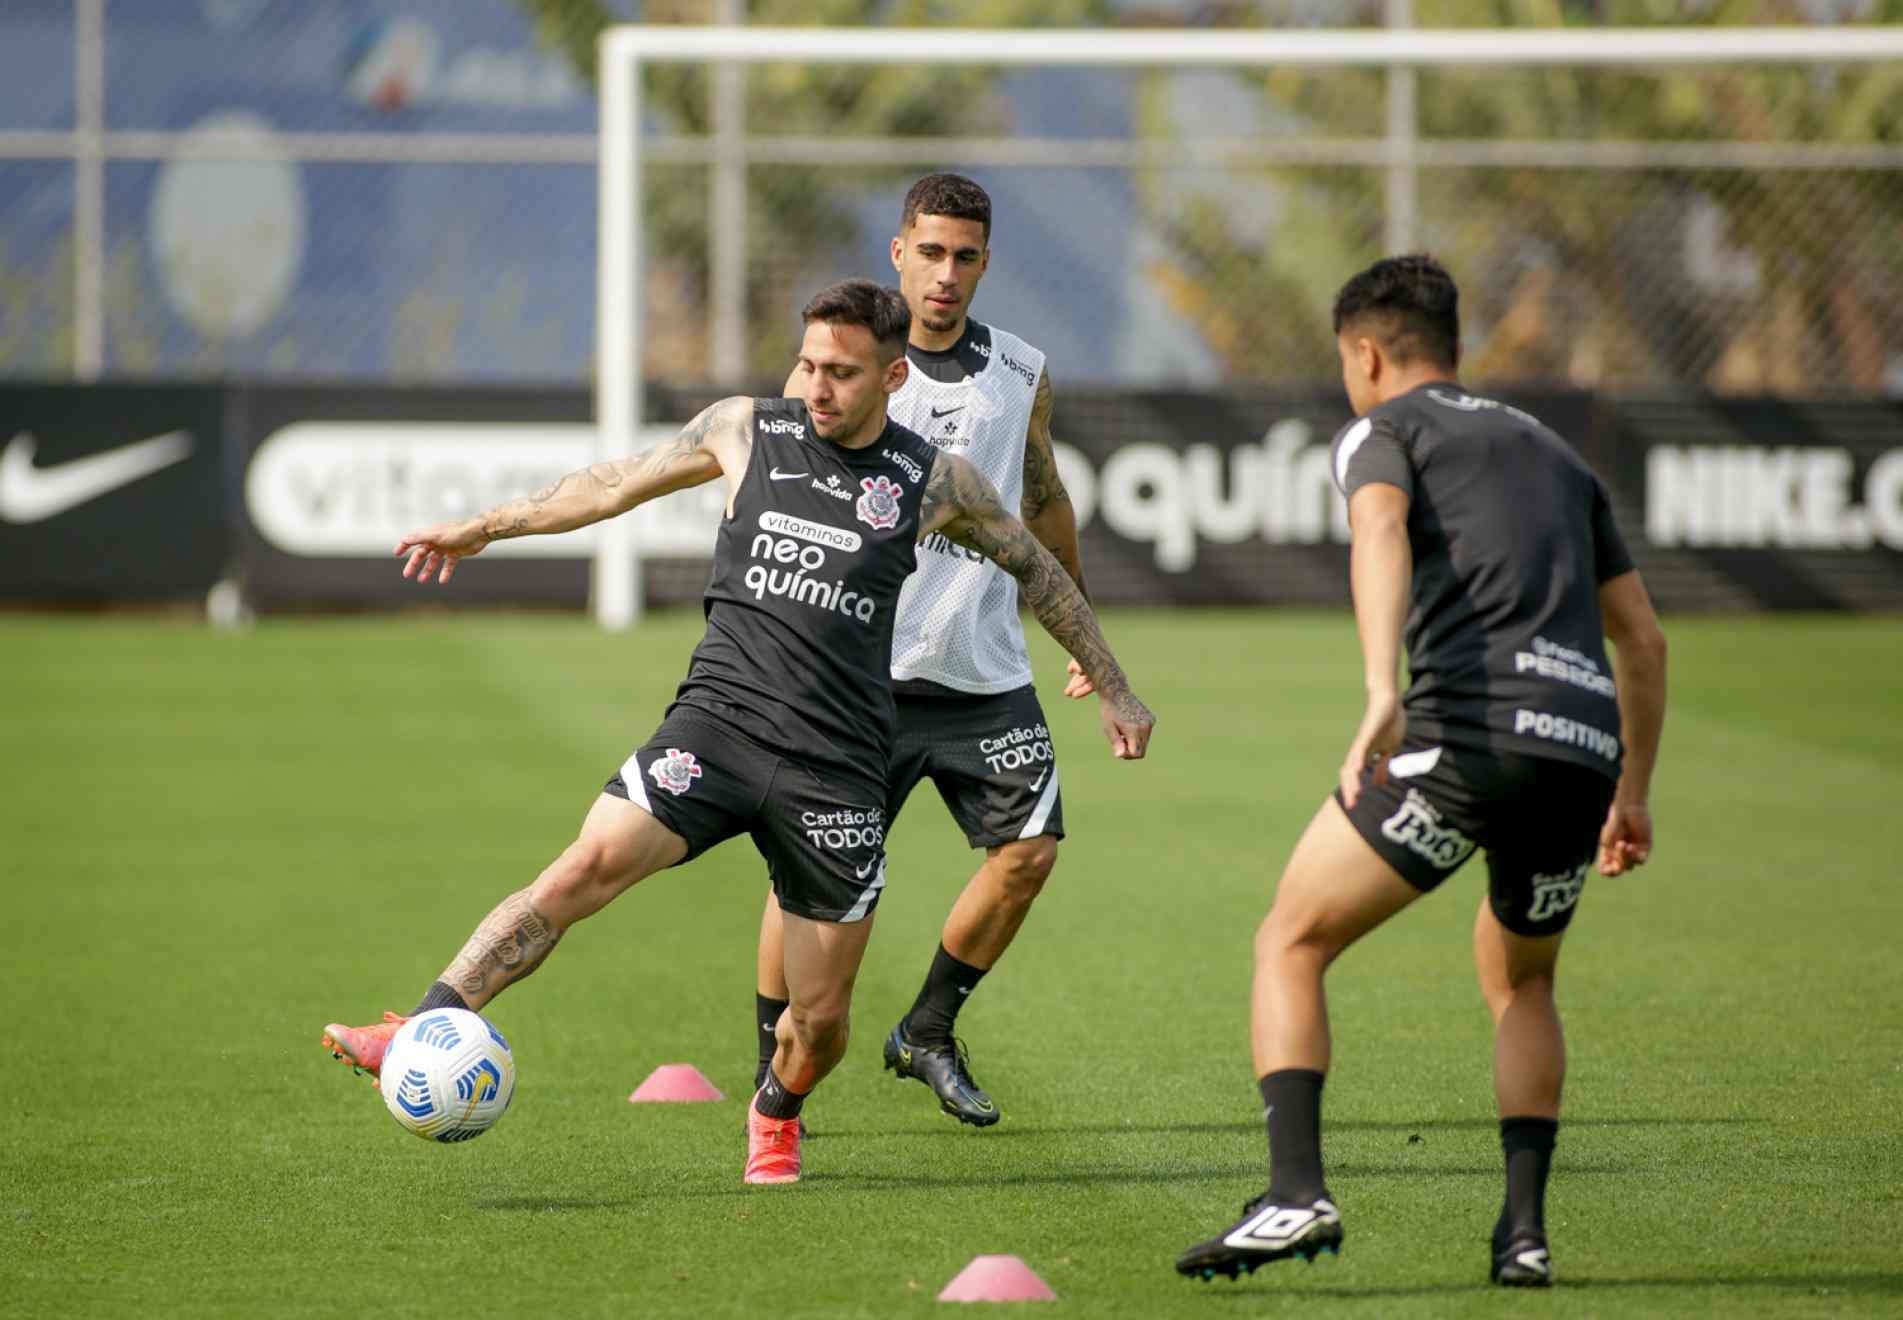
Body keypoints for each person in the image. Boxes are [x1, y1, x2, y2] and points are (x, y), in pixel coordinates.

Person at [320, 280, 1155, 1186]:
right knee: (578, 870)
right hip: (714, 730)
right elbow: (610, 485)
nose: (816, 386)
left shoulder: (935, 480)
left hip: (836, 772)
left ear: (892, 374)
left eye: (840, 372)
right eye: (806, 364)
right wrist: (487, 527)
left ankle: (775, 1110)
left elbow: (1034, 567)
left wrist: (1111, 682)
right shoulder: (745, 429)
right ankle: (419, 1022)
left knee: (822, 1019)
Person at [1174, 255, 1667, 1287]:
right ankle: (1523, 1235)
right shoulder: (1556, 454)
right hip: (1580, 754)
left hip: (1465, 738)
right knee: (1523, 981)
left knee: (1291, 938)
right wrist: (1630, 794)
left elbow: (1379, 527)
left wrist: (1377, 687)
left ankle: (1294, 1193)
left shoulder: (1383, 432)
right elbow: (1644, 642)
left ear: (1364, 353)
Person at [751, 173, 1092, 1128]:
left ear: (985, 263)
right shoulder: (838, 365)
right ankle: (768, 1077)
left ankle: (928, 1030)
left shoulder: (1020, 369)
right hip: (852, 678)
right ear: (897, 251)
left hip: (979, 672)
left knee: (1029, 853)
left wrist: (1076, 620)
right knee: (802, 883)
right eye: (929, 252)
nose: (945, 274)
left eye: (965, 256)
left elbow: (1043, 499)